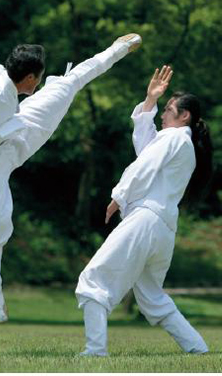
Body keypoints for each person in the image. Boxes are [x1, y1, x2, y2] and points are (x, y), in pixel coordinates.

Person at [0, 34, 142, 322]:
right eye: (40, 77)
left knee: (69, 82)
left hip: (15, 128)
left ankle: (117, 47)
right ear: (31, 78)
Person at [75, 65, 213, 356]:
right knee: (152, 297)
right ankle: (197, 349)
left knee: (93, 280)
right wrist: (150, 100)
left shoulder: (174, 138)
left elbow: (143, 164)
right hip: (162, 229)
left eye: (168, 109)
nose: (163, 114)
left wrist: (119, 196)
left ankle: (95, 352)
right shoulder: (182, 143)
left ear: (184, 115)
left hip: (146, 220)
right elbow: (146, 150)